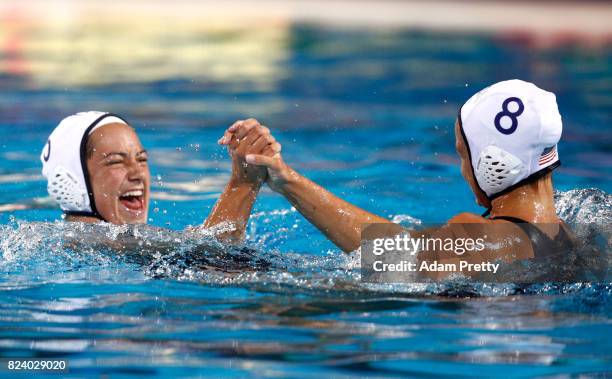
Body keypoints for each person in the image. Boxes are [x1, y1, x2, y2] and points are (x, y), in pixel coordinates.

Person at [222, 79, 576, 274]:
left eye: (462, 154)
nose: (463, 170)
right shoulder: (577, 234)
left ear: (491, 160)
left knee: (227, 274)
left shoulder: (486, 238)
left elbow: (389, 250)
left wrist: (285, 180)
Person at [41, 112, 279, 242]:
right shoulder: (90, 240)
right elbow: (216, 252)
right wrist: (245, 180)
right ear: (75, 179)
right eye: (115, 161)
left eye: (141, 159)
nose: (137, 174)